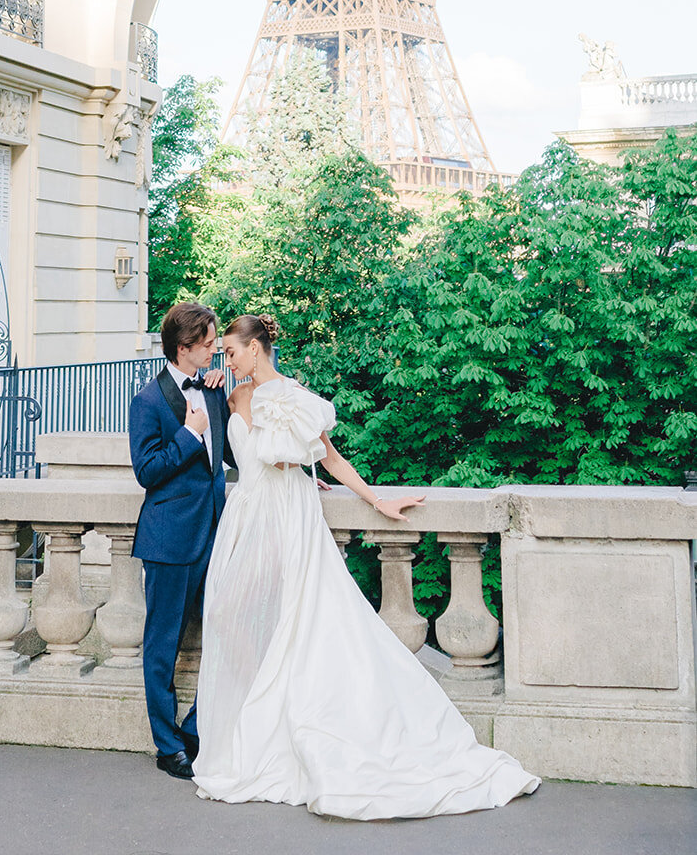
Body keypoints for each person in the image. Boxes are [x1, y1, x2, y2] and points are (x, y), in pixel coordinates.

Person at [193, 313, 540, 820]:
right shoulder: (230, 394)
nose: (226, 357)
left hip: (288, 521)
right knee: (232, 617)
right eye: (223, 352)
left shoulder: (293, 397)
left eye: (231, 350)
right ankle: (251, 725)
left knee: (300, 623)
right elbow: (242, 458)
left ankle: (304, 733)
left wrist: (376, 501)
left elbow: (328, 459)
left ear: (256, 348)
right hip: (246, 519)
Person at [129, 301, 233, 780]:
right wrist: (189, 435)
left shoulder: (213, 388)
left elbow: (231, 452)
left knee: (226, 633)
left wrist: (293, 469)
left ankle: (195, 729)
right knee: (163, 645)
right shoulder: (148, 401)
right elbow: (147, 471)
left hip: (219, 533)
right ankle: (167, 744)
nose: (216, 351)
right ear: (184, 347)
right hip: (170, 540)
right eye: (210, 344)